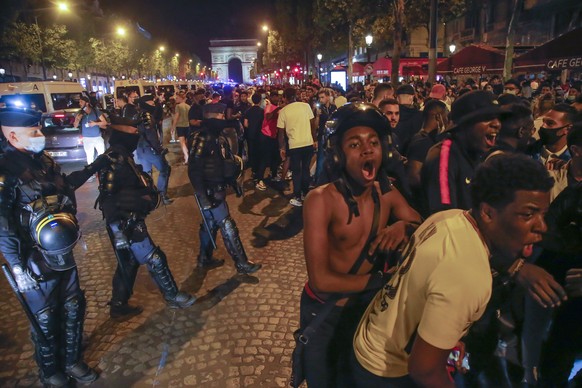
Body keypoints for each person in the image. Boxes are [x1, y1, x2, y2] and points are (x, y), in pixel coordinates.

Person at [349, 153, 554, 387]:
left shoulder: (450, 218)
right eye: (528, 214)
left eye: (543, 214)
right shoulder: (469, 276)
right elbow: (425, 370)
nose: (542, 226)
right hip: (387, 371)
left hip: (370, 338)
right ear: (487, 212)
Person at [297, 103, 421, 388]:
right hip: (327, 314)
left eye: (374, 143)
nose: (367, 150)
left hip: (367, 312)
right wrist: (381, 280)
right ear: (338, 155)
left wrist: (403, 226)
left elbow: (422, 226)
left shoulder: (385, 193)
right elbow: (321, 280)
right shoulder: (320, 200)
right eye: (355, 144)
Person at [0, 107, 106, 386]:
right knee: (45, 317)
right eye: (33, 131)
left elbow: (65, 188)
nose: (40, 135)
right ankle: (50, 372)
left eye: (39, 129)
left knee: (73, 306)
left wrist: (94, 167)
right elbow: (3, 223)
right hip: (32, 255)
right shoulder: (4, 169)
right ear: (12, 135)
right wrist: (17, 265)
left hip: (61, 249)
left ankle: (72, 361)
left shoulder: (43, 160)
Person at [96, 117, 196, 318]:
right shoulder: (114, 159)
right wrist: (118, 231)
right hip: (126, 223)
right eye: (132, 133)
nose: (136, 136)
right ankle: (172, 295)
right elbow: (107, 199)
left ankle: (118, 304)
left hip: (130, 218)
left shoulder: (123, 156)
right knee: (155, 258)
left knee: (128, 264)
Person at [188, 104, 261, 274]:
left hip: (216, 188)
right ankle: (241, 263)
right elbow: (194, 169)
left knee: (210, 225)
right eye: (221, 117)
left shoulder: (215, 136)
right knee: (227, 225)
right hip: (209, 190)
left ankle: (204, 258)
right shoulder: (202, 137)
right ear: (212, 117)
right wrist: (202, 196)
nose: (223, 119)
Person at [421, 90, 502, 216]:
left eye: (498, 118)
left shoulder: (477, 152)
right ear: (465, 123)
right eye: (487, 118)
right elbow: (445, 217)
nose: (497, 124)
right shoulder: (444, 157)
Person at [277, 87, 316, 207]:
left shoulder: (283, 111)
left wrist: (281, 148)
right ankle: (305, 194)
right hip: (308, 143)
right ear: (296, 95)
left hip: (294, 145)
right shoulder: (306, 106)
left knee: (296, 171)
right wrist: (314, 139)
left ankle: (297, 196)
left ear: (285, 98)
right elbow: (313, 124)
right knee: (305, 169)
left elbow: (281, 133)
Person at [135, 95, 173, 205]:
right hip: (149, 148)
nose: (154, 105)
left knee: (146, 174)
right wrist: (158, 149)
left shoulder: (137, 115)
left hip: (140, 148)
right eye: (151, 103)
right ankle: (161, 195)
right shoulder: (147, 116)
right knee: (165, 169)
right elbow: (152, 135)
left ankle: (149, 197)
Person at [73, 96, 107, 181]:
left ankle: (102, 171)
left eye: (81, 102)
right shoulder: (80, 113)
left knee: (102, 154)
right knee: (89, 156)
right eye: (79, 102)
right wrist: (77, 119)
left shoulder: (95, 111)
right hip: (87, 138)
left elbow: (105, 122)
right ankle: (91, 174)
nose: (79, 103)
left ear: (87, 103)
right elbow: (75, 125)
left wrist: (95, 123)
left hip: (97, 137)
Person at [172, 91, 191, 163]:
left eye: (177, 98)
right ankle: (187, 155)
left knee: (182, 142)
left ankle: (186, 157)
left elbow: (176, 117)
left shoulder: (178, 106)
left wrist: (173, 126)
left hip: (180, 126)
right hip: (188, 125)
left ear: (181, 98)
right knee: (186, 142)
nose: (176, 99)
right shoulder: (188, 106)